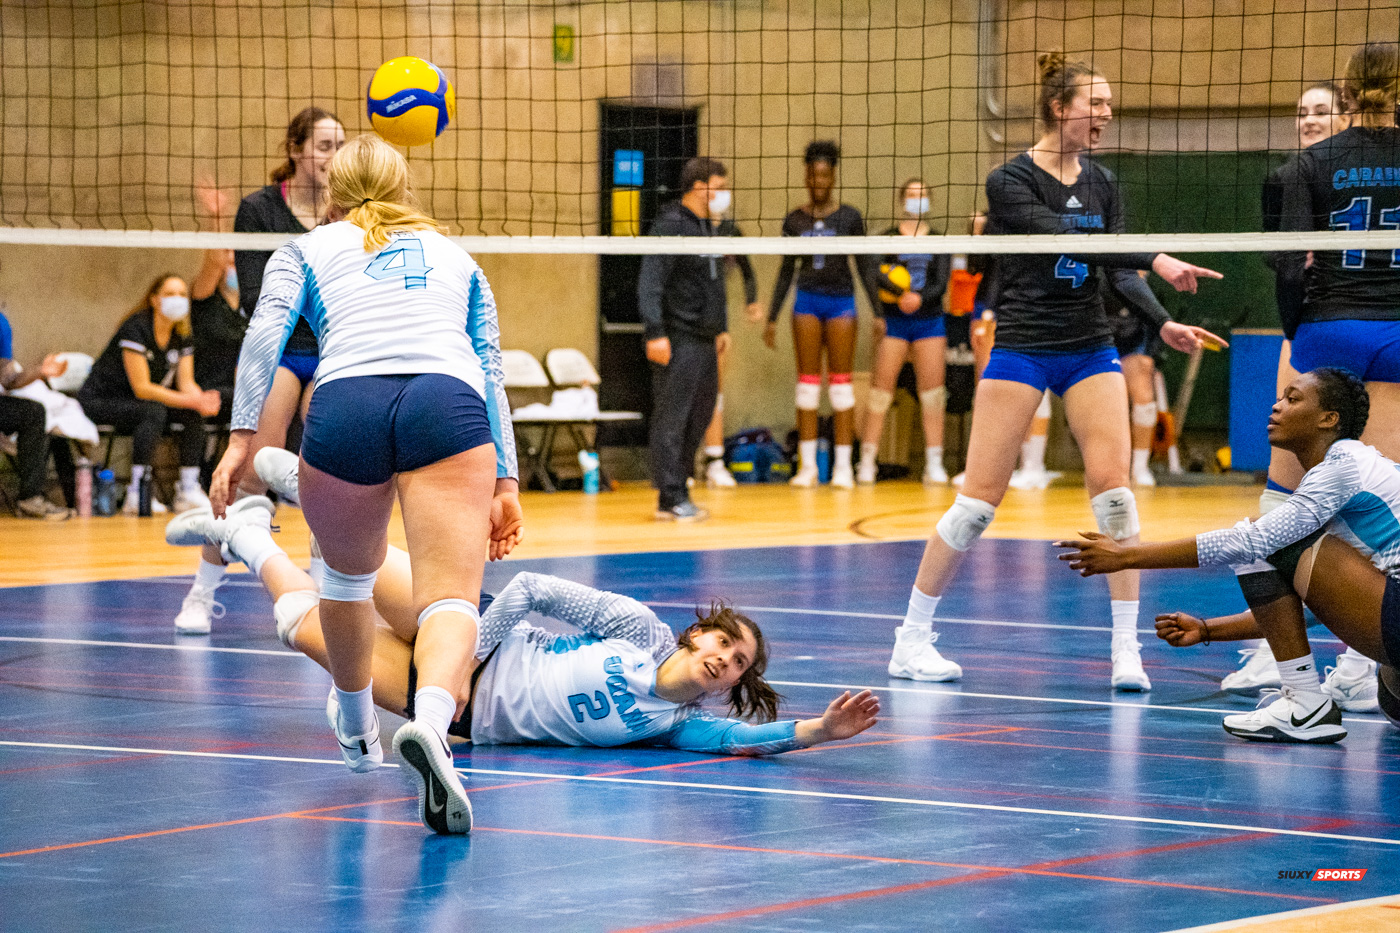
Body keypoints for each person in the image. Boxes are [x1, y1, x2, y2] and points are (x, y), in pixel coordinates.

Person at [208, 134, 523, 835]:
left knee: (348, 579)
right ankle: (434, 725)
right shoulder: (459, 256)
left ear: (331, 191)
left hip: (347, 402)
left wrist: (239, 441)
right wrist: (508, 477)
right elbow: (491, 368)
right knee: (450, 596)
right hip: (448, 403)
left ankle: (356, 727)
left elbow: (263, 342)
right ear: (404, 184)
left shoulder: (304, 250)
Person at [887, 52, 1225, 690]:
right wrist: (1157, 256)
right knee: (976, 505)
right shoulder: (1008, 181)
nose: (1105, 115)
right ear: (1058, 107)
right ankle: (911, 640)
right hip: (1023, 344)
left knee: (1116, 495)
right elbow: (1066, 239)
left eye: (1107, 104)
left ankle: (1127, 649)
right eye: (1094, 104)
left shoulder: (1103, 183)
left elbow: (1115, 271)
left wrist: (1162, 323)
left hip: (1090, 344)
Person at [165, 469, 880, 763]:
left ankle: (245, 537)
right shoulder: (641, 631)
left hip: (457, 711)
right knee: (363, 561)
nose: (726, 657)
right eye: (724, 640)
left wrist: (820, 729)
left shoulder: (674, 725)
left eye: (738, 662)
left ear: (728, 682)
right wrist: (468, 659)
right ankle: (306, 481)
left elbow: (741, 742)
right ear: (698, 635)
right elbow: (532, 585)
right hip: (470, 635)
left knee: (301, 626)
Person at [1057, 369, 1392, 742]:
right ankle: (1308, 703)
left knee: (1259, 537)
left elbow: (1252, 544)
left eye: (1293, 399)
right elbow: (1324, 606)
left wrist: (1126, 556)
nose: (1276, 407)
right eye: (1281, 397)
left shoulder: (1343, 468)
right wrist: (1206, 630)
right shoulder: (1350, 474)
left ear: (1329, 419)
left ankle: (1305, 705)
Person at [1223, 75, 1379, 695]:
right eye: (1302, 112)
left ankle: (1360, 660)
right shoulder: (1294, 174)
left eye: (1322, 110)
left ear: (1345, 113)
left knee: (1354, 495)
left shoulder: (1369, 165)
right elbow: (1281, 261)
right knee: (1281, 499)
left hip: (1360, 332)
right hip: (1312, 330)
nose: (1310, 119)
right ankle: (1273, 644)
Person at [174, 108, 345, 636]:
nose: (333, 156)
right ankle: (202, 592)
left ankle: (323, 596)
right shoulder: (260, 210)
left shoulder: (348, 211)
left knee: (332, 473)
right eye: (323, 146)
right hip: (279, 346)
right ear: (295, 150)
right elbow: (252, 294)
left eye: (340, 145)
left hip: (333, 347)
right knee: (249, 472)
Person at [764, 140, 890, 488]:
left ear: (832, 176)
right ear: (806, 176)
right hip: (806, 301)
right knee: (806, 388)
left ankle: (842, 468)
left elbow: (864, 265)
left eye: (824, 175)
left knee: (841, 389)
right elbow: (787, 270)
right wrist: (772, 316)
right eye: (813, 175)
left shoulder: (849, 217)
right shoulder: (794, 220)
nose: (818, 181)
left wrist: (877, 312)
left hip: (841, 303)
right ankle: (807, 468)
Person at [638, 157, 735, 521]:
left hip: (705, 338)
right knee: (672, 417)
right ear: (700, 187)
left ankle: (681, 485)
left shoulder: (706, 227)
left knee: (702, 412)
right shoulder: (670, 226)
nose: (725, 195)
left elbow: (713, 283)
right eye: (720, 187)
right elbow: (650, 282)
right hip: (678, 338)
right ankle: (669, 496)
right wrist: (655, 332)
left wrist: (720, 327)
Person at [78, 274, 223, 514]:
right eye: (170, 294)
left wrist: (201, 401)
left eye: (181, 294)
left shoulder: (182, 332)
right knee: (153, 411)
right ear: (154, 300)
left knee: (191, 413)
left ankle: (187, 489)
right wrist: (192, 400)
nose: (177, 299)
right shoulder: (136, 328)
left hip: (139, 403)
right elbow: (142, 388)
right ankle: (136, 492)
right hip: (102, 400)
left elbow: (186, 384)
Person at [858, 179, 952, 486]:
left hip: (929, 321)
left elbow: (941, 282)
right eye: (912, 196)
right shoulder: (887, 237)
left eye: (923, 195)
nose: (917, 200)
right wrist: (900, 294)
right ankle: (868, 461)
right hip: (894, 322)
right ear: (902, 201)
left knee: (933, 395)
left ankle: (934, 464)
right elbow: (873, 274)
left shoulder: (939, 239)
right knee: (880, 393)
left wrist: (919, 298)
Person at [703, 214, 762, 488]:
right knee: (685, 393)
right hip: (683, 316)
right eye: (716, 187)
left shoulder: (729, 229)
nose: (720, 194)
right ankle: (681, 464)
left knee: (714, 390)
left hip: (717, 316)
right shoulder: (682, 226)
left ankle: (714, 461)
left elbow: (747, 271)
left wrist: (752, 302)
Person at [0, 317, 75, 520]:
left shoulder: (1, 324)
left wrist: (39, 371)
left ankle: (29, 499)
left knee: (33, 412)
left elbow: (8, 380)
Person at [1105, 272, 1161, 487]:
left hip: (1131, 349)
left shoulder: (1145, 294)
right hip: (1099, 349)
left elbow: (1156, 327)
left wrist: (1150, 357)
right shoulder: (1099, 283)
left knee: (1143, 379)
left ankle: (1140, 467)